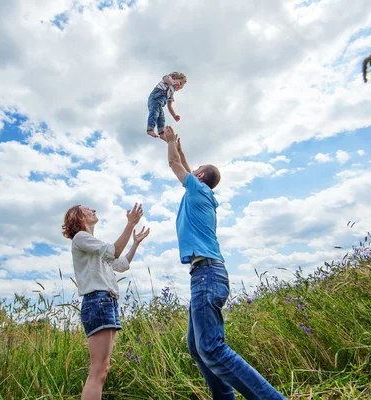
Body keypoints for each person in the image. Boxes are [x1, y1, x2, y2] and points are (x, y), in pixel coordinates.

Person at [164, 126, 286, 400]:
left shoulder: (195, 189)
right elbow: (183, 163)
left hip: (207, 274)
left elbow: (174, 164)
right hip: (206, 273)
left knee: (211, 348)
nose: (190, 172)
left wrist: (171, 143)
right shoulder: (202, 193)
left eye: (194, 171)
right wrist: (180, 148)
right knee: (198, 348)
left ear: (199, 177)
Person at [62, 203, 150, 400]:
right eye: (87, 209)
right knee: (98, 371)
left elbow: (120, 264)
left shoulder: (94, 244)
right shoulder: (81, 238)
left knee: (103, 369)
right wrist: (130, 224)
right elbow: (114, 252)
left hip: (107, 302)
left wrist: (135, 243)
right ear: (79, 217)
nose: (93, 210)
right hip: (97, 301)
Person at [146, 72, 187, 140]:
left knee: (161, 118)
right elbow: (166, 79)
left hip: (160, 105)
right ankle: (150, 129)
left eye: (180, 88)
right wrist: (172, 82)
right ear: (174, 77)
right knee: (154, 114)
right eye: (180, 83)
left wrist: (174, 115)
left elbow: (169, 106)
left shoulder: (171, 93)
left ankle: (161, 133)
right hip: (154, 100)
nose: (179, 87)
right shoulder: (168, 79)